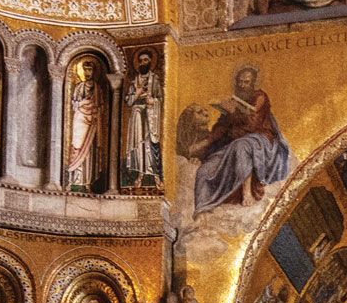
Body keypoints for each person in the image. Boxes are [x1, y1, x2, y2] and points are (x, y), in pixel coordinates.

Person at [188, 65, 292, 213]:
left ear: (253, 83)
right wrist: (205, 142)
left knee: (241, 145)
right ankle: (201, 211)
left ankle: (246, 192)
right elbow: (222, 127)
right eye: (240, 82)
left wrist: (232, 112)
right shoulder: (234, 100)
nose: (242, 85)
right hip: (233, 143)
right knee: (204, 171)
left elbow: (253, 125)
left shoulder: (260, 98)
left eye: (246, 82)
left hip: (261, 140)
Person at [67, 56, 108, 192]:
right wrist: (84, 104)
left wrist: (95, 109)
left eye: (90, 70)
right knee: (78, 146)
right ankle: (76, 179)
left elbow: (101, 106)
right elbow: (74, 104)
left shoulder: (98, 89)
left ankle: (87, 181)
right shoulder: (79, 87)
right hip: (80, 121)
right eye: (85, 70)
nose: (87, 73)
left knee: (90, 151)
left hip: (93, 123)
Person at [123, 50, 163, 187]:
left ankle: (155, 176)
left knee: (150, 143)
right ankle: (140, 174)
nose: (142, 63)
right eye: (140, 61)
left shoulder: (155, 79)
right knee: (138, 144)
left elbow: (160, 99)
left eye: (145, 60)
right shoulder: (134, 81)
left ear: (150, 62)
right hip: (136, 114)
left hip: (151, 114)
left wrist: (153, 101)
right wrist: (137, 93)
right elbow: (128, 101)